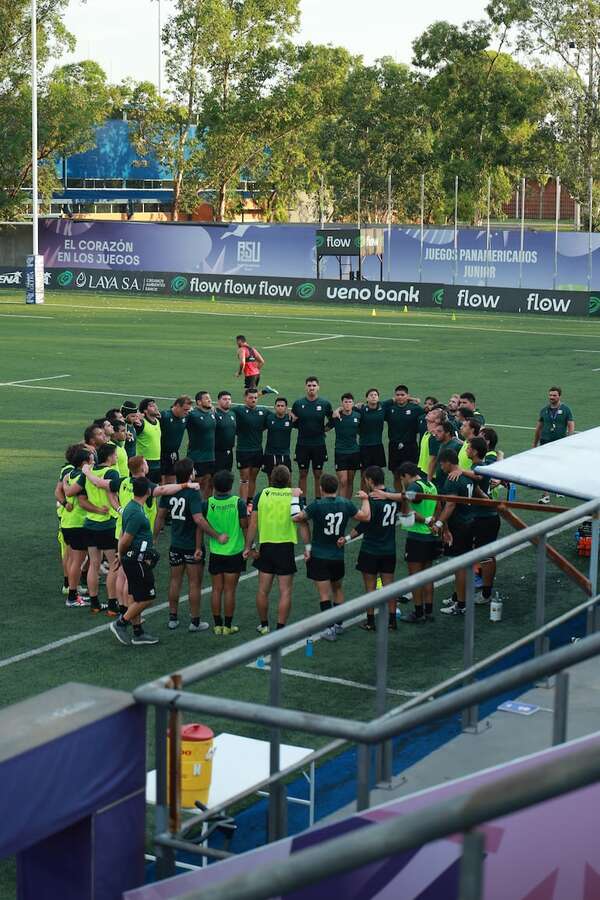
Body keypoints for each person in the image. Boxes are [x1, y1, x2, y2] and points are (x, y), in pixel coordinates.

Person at [155, 458, 227, 633]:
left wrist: (154, 538)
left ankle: (173, 617)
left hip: (175, 544)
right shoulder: (193, 493)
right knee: (194, 584)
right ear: (189, 474)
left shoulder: (169, 492)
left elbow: (160, 516)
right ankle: (195, 621)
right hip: (191, 546)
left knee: (175, 581)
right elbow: (198, 520)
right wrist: (217, 536)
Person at [297, 473, 370, 642]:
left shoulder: (317, 505)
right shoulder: (345, 503)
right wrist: (365, 499)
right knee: (337, 589)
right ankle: (338, 624)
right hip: (338, 555)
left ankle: (329, 629)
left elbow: (298, 518)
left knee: (324, 595)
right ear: (336, 488)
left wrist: (295, 500)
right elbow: (365, 517)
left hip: (320, 555)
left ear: (321, 488)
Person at [374, 463, 441, 623]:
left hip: (418, 537)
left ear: (405, 475)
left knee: (415, 577)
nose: (402, 483)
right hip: (431, 536)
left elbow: (406, 498)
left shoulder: (415, 487)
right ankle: (429, 611)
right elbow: (439, 505)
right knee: (428, 575)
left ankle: (418, 612)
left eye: (401, 479)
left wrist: (387, 496)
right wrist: (436, 523)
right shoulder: (431, 485)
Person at [244, 465, 301, 634]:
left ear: (271, 479)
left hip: (266, 547)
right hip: (286, 547)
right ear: (288, 479)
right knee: (285, 591)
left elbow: (252, 524)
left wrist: (248, 546)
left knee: (262, 590)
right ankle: (280, 629)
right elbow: (300, 519)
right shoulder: (293, 495)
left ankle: (264, 625)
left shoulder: (262, 495)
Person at [353, 466, 405, 632]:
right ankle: (392, 621)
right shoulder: (392, 494)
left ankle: (370, 621)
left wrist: (346, 538)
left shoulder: (371, 500)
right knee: (389, 586)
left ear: (369, 480)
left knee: (370, 587)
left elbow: (363, 525)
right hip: (389, 549)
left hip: (371, 549)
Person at [110, 477, 160, 646]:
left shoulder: (132, 507)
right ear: (147, 492)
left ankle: (138, 633)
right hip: (136, 560)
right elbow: (126, 538)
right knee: (147, 598)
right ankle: (121, 623)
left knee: (136, 596)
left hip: (132, 558)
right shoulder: (137, 513)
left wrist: (120, 555)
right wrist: (121, 554)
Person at [202, 469, 249, 635]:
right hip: (234, 552)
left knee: (216, 589)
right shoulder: (238, 503)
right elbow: (245, 525)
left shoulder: (208, 503)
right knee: (230, 590)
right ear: (230, 486)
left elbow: (202, 525)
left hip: (216, 552)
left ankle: (217, 625)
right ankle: (228, 626)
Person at [432, 448, 476, 616]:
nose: (441, 467)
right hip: (469, 521)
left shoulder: (452, 479)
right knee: (463, 563)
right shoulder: (466, 477)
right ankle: (458, 596)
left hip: (460, 525)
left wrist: (439, 523)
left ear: (448, 462)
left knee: (459, 565)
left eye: (441, 464)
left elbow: (450, 505)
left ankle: (461, 603)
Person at [291, 376, 333, 498]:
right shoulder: (298, 404)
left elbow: (333, 420)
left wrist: (324, 429)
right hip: (302, 444)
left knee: (318, 474)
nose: (311, 388)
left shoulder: (324, 404)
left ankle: (319, 500)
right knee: (302, 474)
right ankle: (302, 502)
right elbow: (293, 422)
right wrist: (302, 427)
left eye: (314, 385)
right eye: (309, 385)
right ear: (305, 387)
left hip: (319, 444)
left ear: (318, 387)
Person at [533, 386, 574, 504]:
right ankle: (546, 495)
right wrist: (534, 444)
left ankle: (558, 488)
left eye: (554, 395)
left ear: (559, 396)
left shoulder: (566, 410)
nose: (551, 397)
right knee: (544, 468)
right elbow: (538, 428)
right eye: (550, 395)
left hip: (560, 443)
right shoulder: (544, 410)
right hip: (545, 443)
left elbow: (571, 425)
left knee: (558, 466)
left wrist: (569, 441)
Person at [383, 385, 424, 489]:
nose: (400, 397)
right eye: (398, 395)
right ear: (394, 396)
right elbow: (378, 406)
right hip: (394, 446)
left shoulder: (416, 409)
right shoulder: (390, 409)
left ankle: (410, 499)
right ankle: (399, 499)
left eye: (402, 395)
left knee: (410, 475)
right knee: (396, 475)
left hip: (410, 446)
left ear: (407, 396)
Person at [232, 387, 267, 505]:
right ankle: (242, 504)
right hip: (243, 450)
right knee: (244, 479)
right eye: (250, 397)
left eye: (255, 398)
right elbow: (224, 412)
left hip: (257, 450)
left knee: (253, 477)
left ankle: (250, 502)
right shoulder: (238, 410)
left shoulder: (263, 411)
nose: (253, 400)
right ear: (245, 398)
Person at [330, 393, 361, 498]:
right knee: (343, 481)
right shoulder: (336, 416)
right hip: (340, 452)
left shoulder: (358, 415)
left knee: (350, 481)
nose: (347, 404)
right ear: (342, 403)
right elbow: (325, 428)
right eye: (345, 402)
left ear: (353, 403)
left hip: (354, 452)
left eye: (349, 402)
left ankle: (347, 505)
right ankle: (341, 505)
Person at [186, 391, 217, 498]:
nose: (210, 400)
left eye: (210, 398)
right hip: (197, 457)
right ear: (199, 402)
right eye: (206, 398)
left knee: (208, 484)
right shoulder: (192, 415)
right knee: (196, 485)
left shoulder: (212, 414)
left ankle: (205, 508)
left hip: (210, 457)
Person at [160, 395, 193, 484]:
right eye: (185, 410)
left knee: (172, 483)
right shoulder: (164, 416)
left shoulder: (185, 417)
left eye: (188, 410)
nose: (187, 412)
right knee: (160, 484)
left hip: (173, 455)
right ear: (177, 406)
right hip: (160, 455)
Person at [358, 388, 387, 478]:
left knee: (378, 475)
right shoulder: (361, 409)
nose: (373, 397)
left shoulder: (383, 406)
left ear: (378, 398)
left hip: (378, 445)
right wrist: (338, 410)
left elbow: (396, 399)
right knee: (364, 475)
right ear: (367, 399)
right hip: (364, 446)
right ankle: (364, 492)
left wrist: (413, 399)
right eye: (371, 395)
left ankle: (377, 492)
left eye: (375, 395)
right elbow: (346, 408)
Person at [262, 398, 293, 478]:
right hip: (270, 453)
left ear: (286, 407)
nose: (280, 407)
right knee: (271, 479)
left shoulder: (290, 419)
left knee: (288, 480)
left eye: (282, 406)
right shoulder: (269, 418)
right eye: (278, 405)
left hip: (285, 453)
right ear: (274, 407)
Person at [428, 420, 463, 490]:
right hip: (441, 484)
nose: (436, 434)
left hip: (449, 485)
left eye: (439, 431)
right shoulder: (442, 444)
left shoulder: (456, 446)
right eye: (436, 431)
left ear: (447, 433)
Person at [134, 398, 162, 483]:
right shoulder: (141, 423)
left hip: (157, 462)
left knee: (155, 489)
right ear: (145, 411)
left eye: (155, 404)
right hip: (144, 462)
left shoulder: (157, 421)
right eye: (151, 406)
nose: (155, 407)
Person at [214, 390, 237, 472]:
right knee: (214, 479)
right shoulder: (214, 414)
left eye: (229, 399)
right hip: (216, 452)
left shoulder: (232, 414)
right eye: (224, 399)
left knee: (226, 477)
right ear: (218, 401)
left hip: (229, 452)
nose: (227, 401)